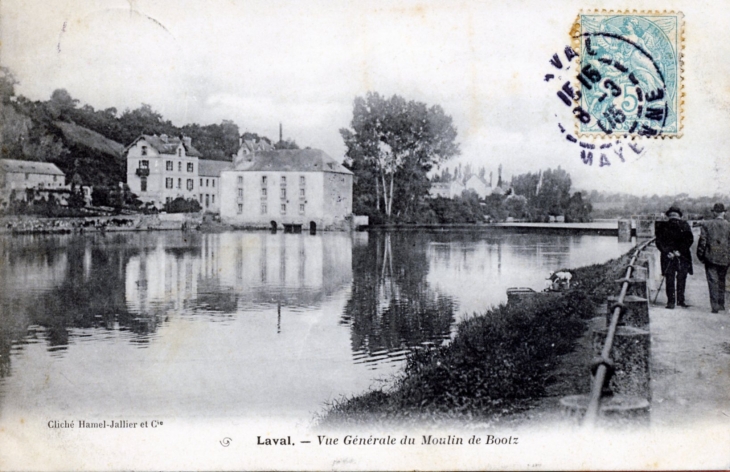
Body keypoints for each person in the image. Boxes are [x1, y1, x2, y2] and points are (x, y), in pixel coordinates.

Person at [655, 206, 694, 309]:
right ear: (679, 215)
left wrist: (667, 252)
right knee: (681, 278)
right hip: (682, 256)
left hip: (668, 256)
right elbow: (689, 240)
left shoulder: (662, 226)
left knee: (669, 278)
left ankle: (671, 302)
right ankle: (681, 301)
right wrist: (679, 252)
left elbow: (659, 241)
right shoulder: (684, 225)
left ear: (668, 215)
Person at [697, 203, 730, 313]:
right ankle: (721, 304)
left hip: (711, 257)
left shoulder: (707, 224)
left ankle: (714, 306)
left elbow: (702, 242)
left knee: (712, 281)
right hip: (725, 258)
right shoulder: (729, 225)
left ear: (714, 212)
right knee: (722, 280)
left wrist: (701, 256)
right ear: (724, 213)